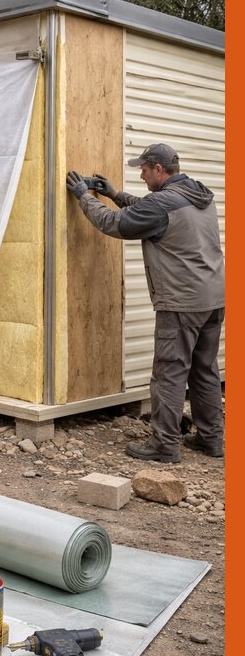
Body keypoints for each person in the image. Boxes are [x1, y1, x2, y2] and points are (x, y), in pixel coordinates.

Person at [66, 143, 225, 463]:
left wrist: (84, 196)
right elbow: (148, 210)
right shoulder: (195, 195)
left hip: (181, 302)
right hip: (213, 298)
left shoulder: (162, 203)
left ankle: (164, 444)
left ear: (159, 169)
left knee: (169, 373)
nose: (141, 174)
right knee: (204, 370)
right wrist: (115, 194)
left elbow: (114, 223)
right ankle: (212, 439)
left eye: (144, 169)